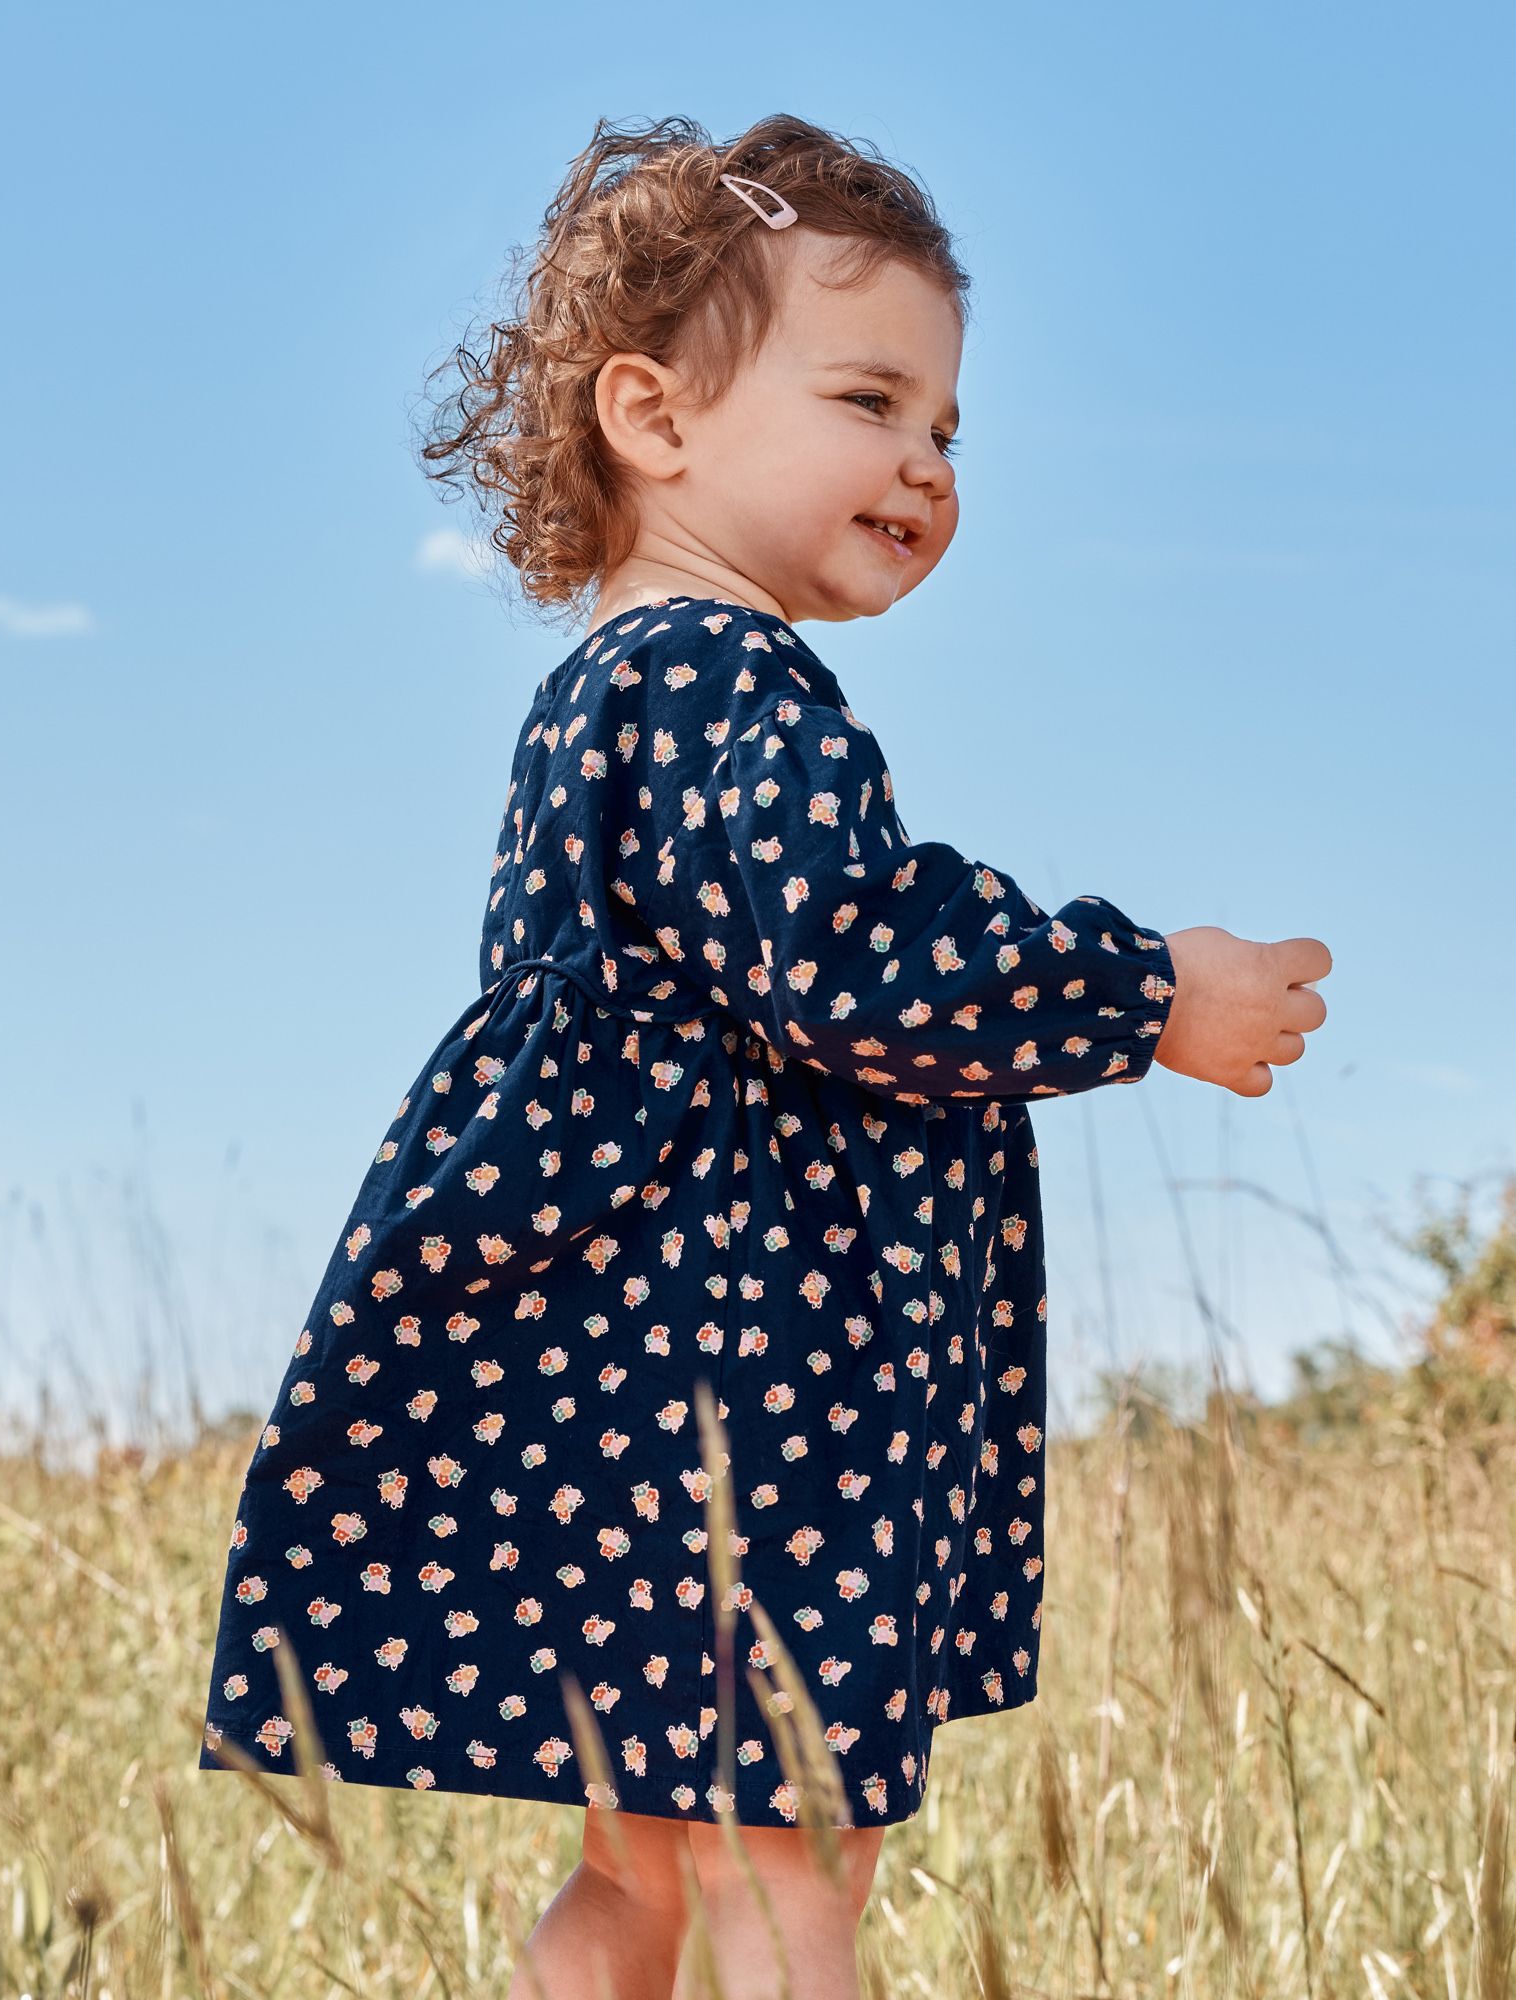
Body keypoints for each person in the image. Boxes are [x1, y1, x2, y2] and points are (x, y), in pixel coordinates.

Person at [195, 112, 1331, 2000]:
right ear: (654, 418)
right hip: (747, 1407)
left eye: (950, 428)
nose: (927, 461)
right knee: (790, 1874)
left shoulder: (597, 695)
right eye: (874, 398)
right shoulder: (734, 687)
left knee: (642, 1879)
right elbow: (855, 961)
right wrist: (1150, 996)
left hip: (631, 1412)